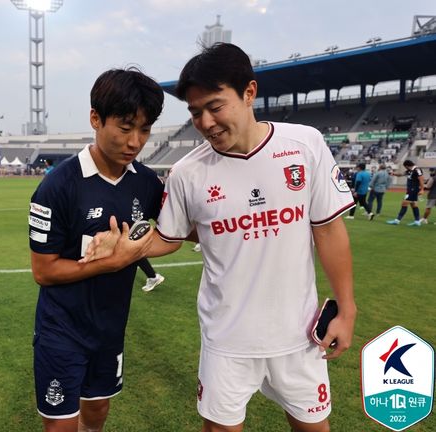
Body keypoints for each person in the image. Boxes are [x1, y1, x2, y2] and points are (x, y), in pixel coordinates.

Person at [83, 43, 357, 432]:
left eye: (215, 106)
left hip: (298, 335)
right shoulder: (187, 173)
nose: (206, 122)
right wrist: (127, 246)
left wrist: (346, 309)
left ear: (249, 93)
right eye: (195, 112)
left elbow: (329, 230)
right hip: (226, 340)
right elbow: (169, 237)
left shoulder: (304, 145)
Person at [28, 67, 164, 432]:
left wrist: (133, 248)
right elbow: (43, 271)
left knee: (98, 411)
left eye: (145, 129)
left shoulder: (148, 183)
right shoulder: (57, 187)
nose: (135, 141)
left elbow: (175, 233)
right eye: (124, 127)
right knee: (60, 426)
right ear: (95, 119)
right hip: (61, 331)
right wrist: (110, 262)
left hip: (109, 330)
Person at [386, 159, 424, 226]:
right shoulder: (410, 170)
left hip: (413, 190)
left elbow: (421, 179)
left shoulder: (417, 170)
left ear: (406, 165)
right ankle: (417, 221)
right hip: (410, 189)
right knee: (414, 205)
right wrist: (393, 174)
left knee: (404, 203)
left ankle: (397, 220)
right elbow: (401, 174)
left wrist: (422, 189)